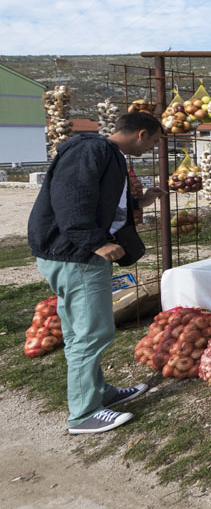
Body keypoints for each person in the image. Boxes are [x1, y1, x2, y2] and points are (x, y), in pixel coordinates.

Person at [27, 112, 164, 434]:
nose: (152, 149)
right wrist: (96, 242)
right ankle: (83, 414)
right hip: (77, 256)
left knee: (79, 332)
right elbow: (71, 200)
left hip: (74, 254)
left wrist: (140, 201)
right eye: (155, 142)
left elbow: (99, 202)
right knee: (92, 334)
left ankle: (100, 393)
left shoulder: (107, 154)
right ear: (142, 134)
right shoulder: (92, 151)